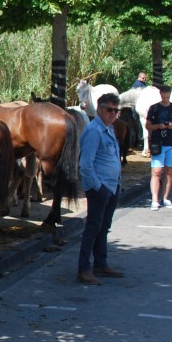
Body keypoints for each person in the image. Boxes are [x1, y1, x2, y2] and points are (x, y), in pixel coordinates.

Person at [77, 93, 125, 285]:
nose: (113, 114)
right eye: (109, 110)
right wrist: (99, 187)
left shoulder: (109, 128)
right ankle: (84, 269)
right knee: (93, 227)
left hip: (112, 186)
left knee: (103, 227)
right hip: (100, 188)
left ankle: (100, 263)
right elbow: (85, 164)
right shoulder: (94, 131)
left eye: (116, 110)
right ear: (99, 109)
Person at [145, 84, 172, 210]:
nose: (166, 99)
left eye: (167, 97)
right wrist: (158, 126)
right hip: (158, 143)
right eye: (164, 97)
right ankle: (155, 200)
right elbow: (148, 126)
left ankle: (166, 198)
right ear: (160, 95)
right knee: (156, 171)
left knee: (169, 171)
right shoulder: (154, 108)